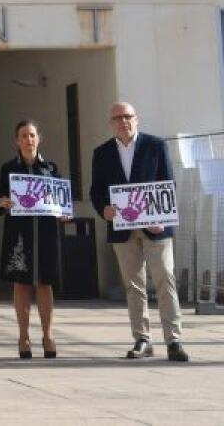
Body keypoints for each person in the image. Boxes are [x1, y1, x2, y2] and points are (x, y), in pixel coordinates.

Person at [90, 101, 188, 362]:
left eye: (128, 116)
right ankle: (142, 338)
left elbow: (168, 183)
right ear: (111, 124)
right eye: (118, 118)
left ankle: (174, 340)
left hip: (156, 227)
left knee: (165, 279)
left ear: (137, 119)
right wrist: (104, 210)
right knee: (134, 285)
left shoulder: (155, 146)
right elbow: (96, 191)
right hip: (123, 229)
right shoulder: (102, 153)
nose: (124, 121)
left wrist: (161, 217)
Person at [0, 120, 64, 359]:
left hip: (45, 232)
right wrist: (1, 202)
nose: (28, 139)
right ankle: (23, 336)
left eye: (32, 135)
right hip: (19, 233)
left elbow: (61, 201)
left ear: (38, 138)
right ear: (17, 140)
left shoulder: (51, 168)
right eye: (23, 135)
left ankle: (48, 335)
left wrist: (65, 212)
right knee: (21, 284)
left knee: (45, 283)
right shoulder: (8, 169)